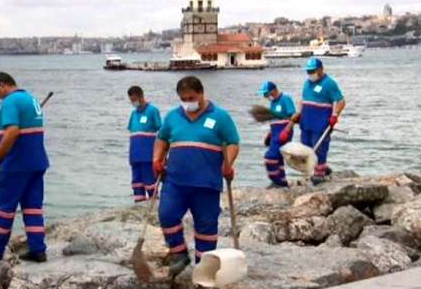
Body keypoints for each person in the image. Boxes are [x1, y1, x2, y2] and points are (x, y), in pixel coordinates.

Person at [152, 76, 240, 277]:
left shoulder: (220, 116)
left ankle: (204, 267)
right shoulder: (173, 117)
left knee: (206, 226)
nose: (188, 102)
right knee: (167, 215)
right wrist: (156, 159)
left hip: (206, 184)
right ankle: (179, 254)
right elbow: (161, 139)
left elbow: (233, 142)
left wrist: (228, 164)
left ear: (201, 93)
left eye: (191, 97)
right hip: (175, 181)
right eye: (183, 98)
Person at [0, 72, 49, 263]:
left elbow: (12, 132)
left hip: (16, 164)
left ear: (3, 85)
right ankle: (38, 249)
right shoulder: (30, 98)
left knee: (5, 207)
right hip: (37, 162)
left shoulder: (10, 101)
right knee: (32, 207)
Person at [286, 57, 345, 185]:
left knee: (320, 146)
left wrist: (335, 115)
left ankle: (320, 172)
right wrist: (298, 113)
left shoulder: (329, 83)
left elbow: (341, 101)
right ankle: (318, 167)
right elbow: (304, 100)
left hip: (321, 122)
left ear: (320, 69)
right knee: (305, 147)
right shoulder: (307, 83)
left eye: (312, 71)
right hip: (306, 121)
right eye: (308, 71)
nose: (310, 73)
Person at [127, 86, 162, 202]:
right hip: (135, 153)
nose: (134, 102)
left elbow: (160, 130)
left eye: (135, 99)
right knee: (136, 179)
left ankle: (154, 202)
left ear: (141, 96)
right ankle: (138, 201)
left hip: (147, 152)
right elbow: (132, 131)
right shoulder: (133, 113)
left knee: (149, 177)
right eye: (131, 100)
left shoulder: (152, 110)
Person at [258, 81, 296, 188]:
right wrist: (269, 133)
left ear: (273, 90)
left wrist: (287, 130)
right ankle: (282, 181)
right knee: (278, 158)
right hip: (275, 131)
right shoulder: (272, 103)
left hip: (283, 131)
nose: (265, 96)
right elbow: (273, 119)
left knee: (269, 157)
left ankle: (276, 181)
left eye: (266, 93)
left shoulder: (285, 99)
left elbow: (294, 116)